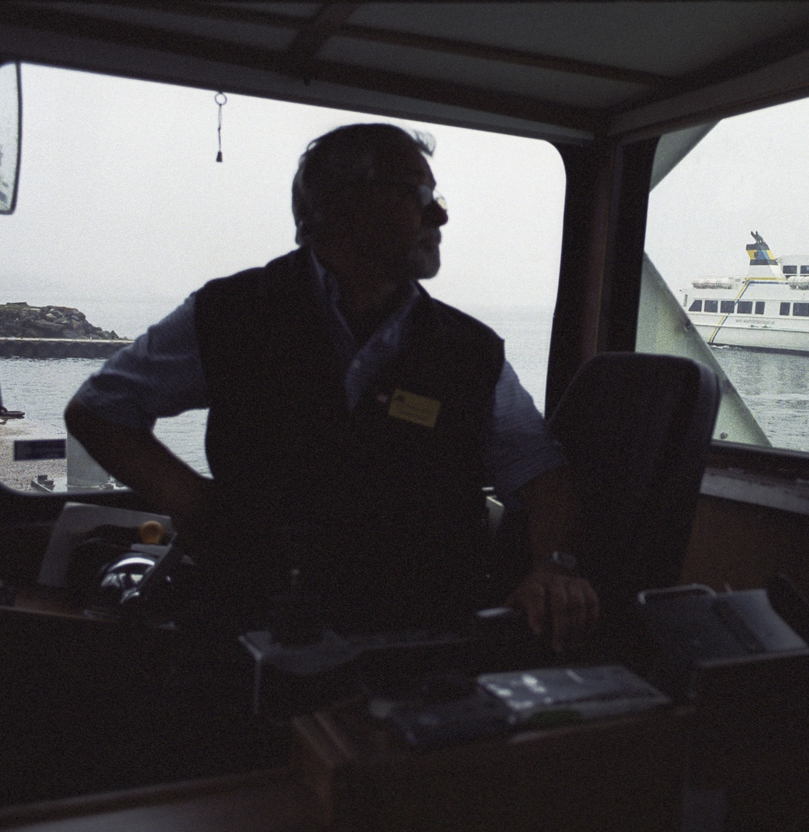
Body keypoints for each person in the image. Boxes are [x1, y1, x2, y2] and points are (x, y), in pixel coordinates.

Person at [64, 123, 598, 650]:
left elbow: (540, 473)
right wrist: (197, 506)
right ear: (341, 209)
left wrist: (554, 565)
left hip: (417, 636)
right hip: (253, 625)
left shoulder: (470, 350)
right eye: (417, 195)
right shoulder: (232, 313)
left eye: (436, 197)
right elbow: (99, 409)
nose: (440, 215)